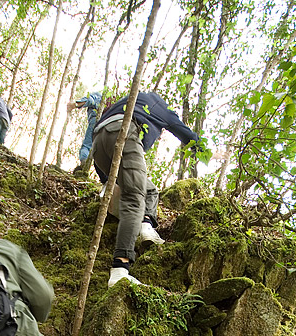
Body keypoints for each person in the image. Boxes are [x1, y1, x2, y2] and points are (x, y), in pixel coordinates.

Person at [92, 91, 201, 287]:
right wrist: (203, 149)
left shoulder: (131, 99)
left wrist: (106, 181)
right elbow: (185, 133)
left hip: (98, 141)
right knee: (134, 198)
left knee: (148, 190)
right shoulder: (160, 104)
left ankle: (145, 226)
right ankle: (120, 269)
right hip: (124, 132)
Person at [67, 91, 102, 173]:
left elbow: (90, 100)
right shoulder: (111, 101)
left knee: (86, 146)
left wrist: (74, 105)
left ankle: (83, 167)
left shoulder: (97, 96)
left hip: (96, 121)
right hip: (107, 125)